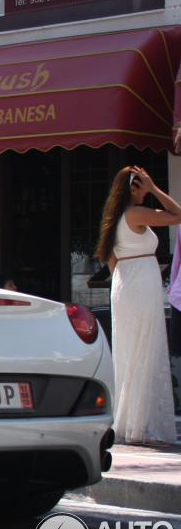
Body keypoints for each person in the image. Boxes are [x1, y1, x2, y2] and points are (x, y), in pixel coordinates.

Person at [95, 165, 181, 446]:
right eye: (143, 186)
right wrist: (156, 189)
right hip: (138, 283)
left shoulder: (114, 216)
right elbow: (178, 214)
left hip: (124, 282)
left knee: (130, 351)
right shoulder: (133, 213)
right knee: (145, 349)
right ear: (133, 187)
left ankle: (133, 423)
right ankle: (140, 427)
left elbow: (110, 259)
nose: (146, 191)